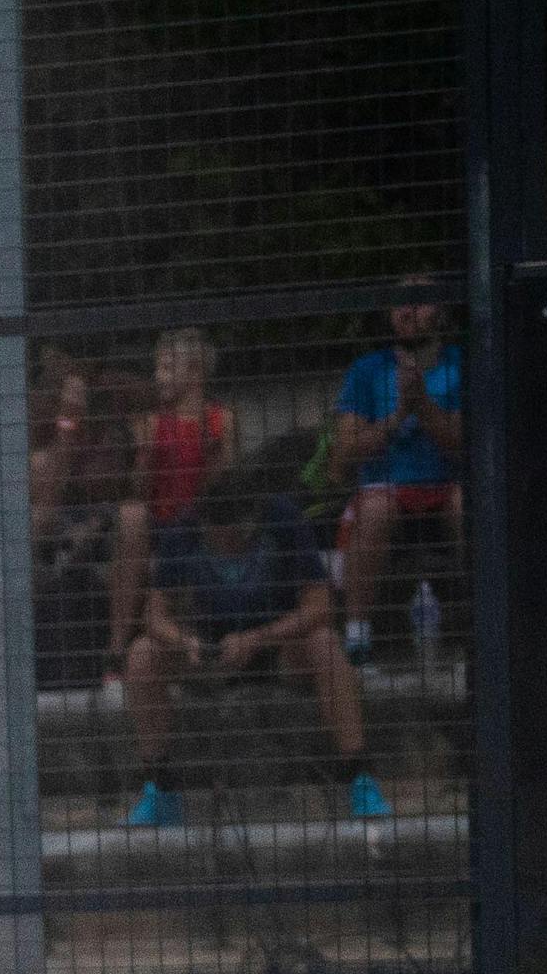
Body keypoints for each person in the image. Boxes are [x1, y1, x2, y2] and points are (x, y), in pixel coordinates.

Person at [115, 466, 388, 828]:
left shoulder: (284, 520)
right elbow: (155, 614)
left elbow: (321, 605)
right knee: (142, 655)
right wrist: (184, 641)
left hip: (278, 646)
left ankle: (359, 776)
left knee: (325, 643)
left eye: (234, 539)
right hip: (211, 651)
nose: (225, 547)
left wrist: (259, 638)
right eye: (217, 539)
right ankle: (160, 786)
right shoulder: (185, 529)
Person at [327, 288, 463, 668]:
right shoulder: (367, 370)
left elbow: (465, 442)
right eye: (401, 302)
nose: (409, 311)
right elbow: (344, 453)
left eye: (421, 299)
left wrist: (424, 406)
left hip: (446, 485)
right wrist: (399, 414)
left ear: (440, 310)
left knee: (470, 505)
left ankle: (485, 619)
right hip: (386, 490)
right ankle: (357, 635)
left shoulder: (463, 363)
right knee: (375, 508)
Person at [105, 329, 238, 663]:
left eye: (165, 368)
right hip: (160, 527)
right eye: (157, 368)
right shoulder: (151, 423)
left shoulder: (222, 420)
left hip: (202, 526)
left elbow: (228, 494)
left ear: (194, 372)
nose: (157, 376)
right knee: (132, 516)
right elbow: (137, 492)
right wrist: (147, 457)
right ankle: (116, 648)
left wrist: (215, 458)